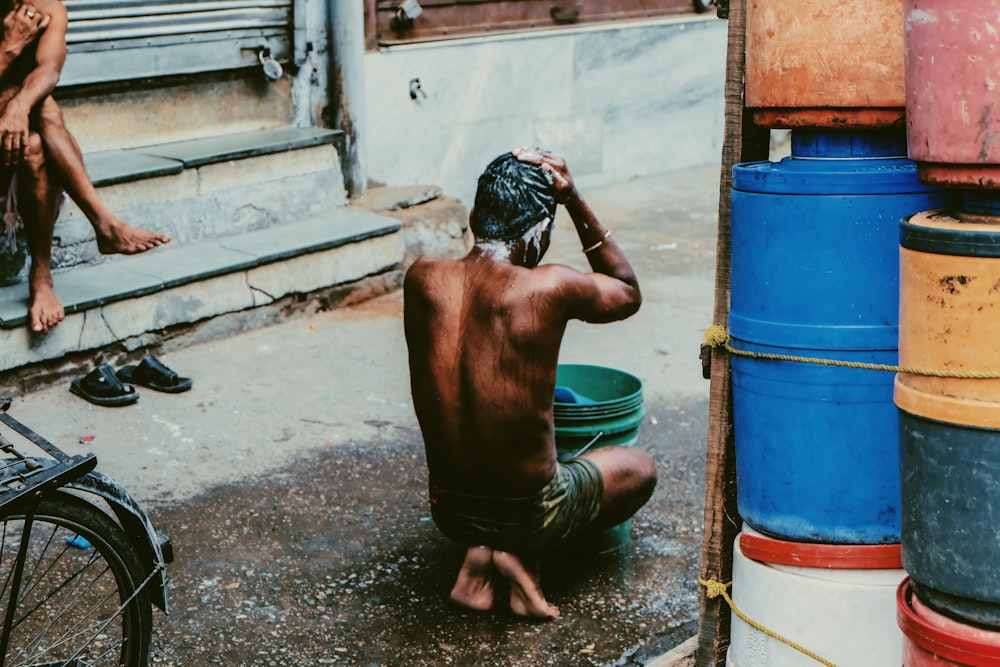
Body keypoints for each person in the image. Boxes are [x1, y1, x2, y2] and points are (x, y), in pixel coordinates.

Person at [403, 148, 657, 620]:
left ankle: (480, 557)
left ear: (477, 217)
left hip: (450, 512)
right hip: (533, 512)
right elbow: (627, 292)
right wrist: (574, 197)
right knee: (640, 468)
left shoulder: (422, 278)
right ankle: (515, 552)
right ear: (539, 232)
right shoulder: (548, 286)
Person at [0, 0, 170, 333]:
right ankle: (104, 224)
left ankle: (42, 276)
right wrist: (8, 50)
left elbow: (49, 70)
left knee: (36, 133)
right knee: (41, 106)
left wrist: (19, 106)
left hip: (14, 142)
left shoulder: (46, 8)